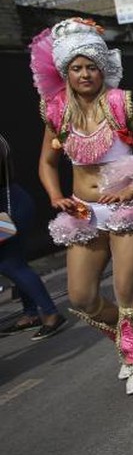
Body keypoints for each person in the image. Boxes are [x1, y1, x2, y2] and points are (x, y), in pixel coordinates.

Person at [32, 18, 133, 394]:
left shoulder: (123, 103)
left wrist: (132, 186)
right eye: (77, 68)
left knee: (125, 288)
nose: (85, 74)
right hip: (84, 212)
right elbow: (47, 163)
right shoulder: (55, 112)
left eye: (91, 66)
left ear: (103, 69)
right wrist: (55, 196)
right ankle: (128, 337)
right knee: (82, 297)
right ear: (65, 72)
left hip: (128, 209)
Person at [0, 134, 67, 341]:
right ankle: (31, 314)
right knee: (15, 261)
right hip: (14, 202)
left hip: (7, 208)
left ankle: (50, 313)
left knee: (9, 264)